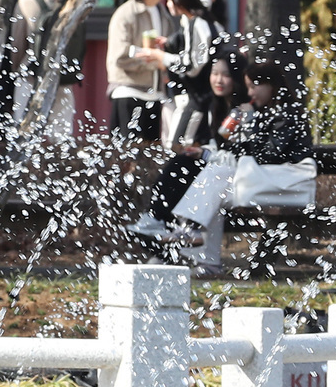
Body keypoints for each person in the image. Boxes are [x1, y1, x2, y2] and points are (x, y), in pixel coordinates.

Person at [128, 58, 314, 257]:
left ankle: (186, 231)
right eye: (248, 87)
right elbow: (253, 151)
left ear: (271, 85)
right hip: (270, 179)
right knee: (215, 189)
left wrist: (249, 127)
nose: (250, 93)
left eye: (254, 86)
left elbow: (269, 155)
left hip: (289, 183)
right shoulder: (265, 112)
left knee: (218, 173)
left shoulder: (286, 113)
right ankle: (204, 261)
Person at [132, 0, 217, 148]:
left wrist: (158, 55)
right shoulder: (191, 17)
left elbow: (191, 66)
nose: (168, 4)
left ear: (181, 1)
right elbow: (202, 4)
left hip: (201, 96)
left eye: (171, 0)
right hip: (194, 95)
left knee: (180, 145)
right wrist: (168, 43)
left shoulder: (199, 25)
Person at [106, 0, 173, 141]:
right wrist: (151, 60)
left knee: (150, 158)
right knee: (125, 157)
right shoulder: (125, 14)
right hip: (129, 92)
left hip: (156, 94)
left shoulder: (162, 11)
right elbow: (119, 54)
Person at [11, 0, 79, 137]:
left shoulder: (26, 2)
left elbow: (18, 43)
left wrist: (15, 70)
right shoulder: (66, 3)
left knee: (26, 133)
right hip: (62, 76)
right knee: (60, 137)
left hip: (32, 75)